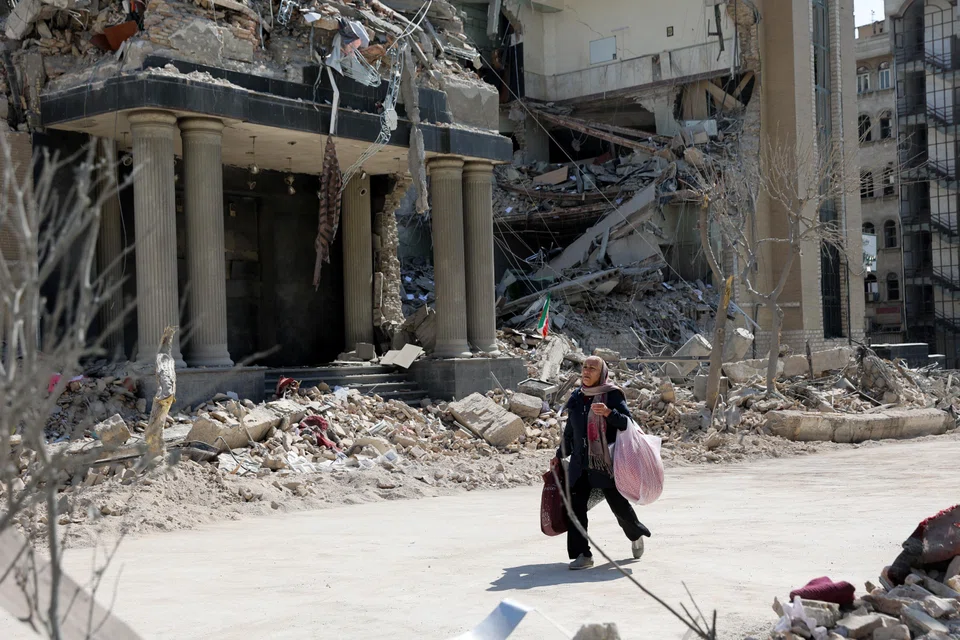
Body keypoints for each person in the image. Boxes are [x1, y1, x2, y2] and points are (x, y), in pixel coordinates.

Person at [554, 355, 651, 570]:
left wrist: (608, 414)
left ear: (602, 374)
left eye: (592, 369)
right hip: (580, 463)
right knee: (575, 507)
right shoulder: (577, 397)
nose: (586, 371)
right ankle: (583, 554)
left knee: (619, 507)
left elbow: (628, 424)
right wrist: (560, 453)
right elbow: (571, 430)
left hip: (606, 464)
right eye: (585, 367)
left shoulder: (612, 395)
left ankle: (635, 534)